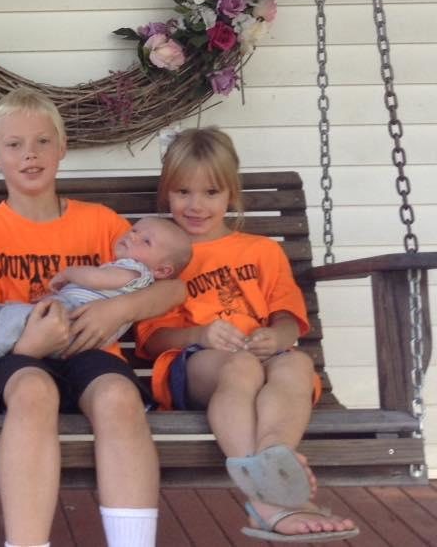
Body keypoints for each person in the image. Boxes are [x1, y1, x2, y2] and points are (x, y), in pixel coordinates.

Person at [0, 87, 185, 547]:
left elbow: (172, 286)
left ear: (61, 148)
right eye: (14, 144)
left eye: (43, 141)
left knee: (119, 396)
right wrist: (28, 347)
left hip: (89, 349)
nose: (30, 154)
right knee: (34, 393)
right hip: (18, 357)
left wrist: (120, 308)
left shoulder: (101, 223)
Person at [137, 127, 359, 542]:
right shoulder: (162, 255)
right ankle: (270, 496)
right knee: (241, 366)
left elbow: (288, 318)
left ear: (231, 194)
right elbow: (151, 340)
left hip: (264, 360)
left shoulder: (261, 251)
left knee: (296, 363)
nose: (196, 205)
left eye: (211, 192)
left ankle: (276, 457)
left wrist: (278, 337)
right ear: (167, 193)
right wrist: (199, 334)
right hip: (196, 367)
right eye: (183, 192)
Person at [0, 216, 191, 377]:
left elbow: (99, 279)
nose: (133, 236)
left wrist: (69, 273)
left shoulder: (134, 270)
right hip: (55, 339)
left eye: (145, 241)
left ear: (162, 270)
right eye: (134, 230)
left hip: (75, 324)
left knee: (15, 314)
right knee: (11, 312)